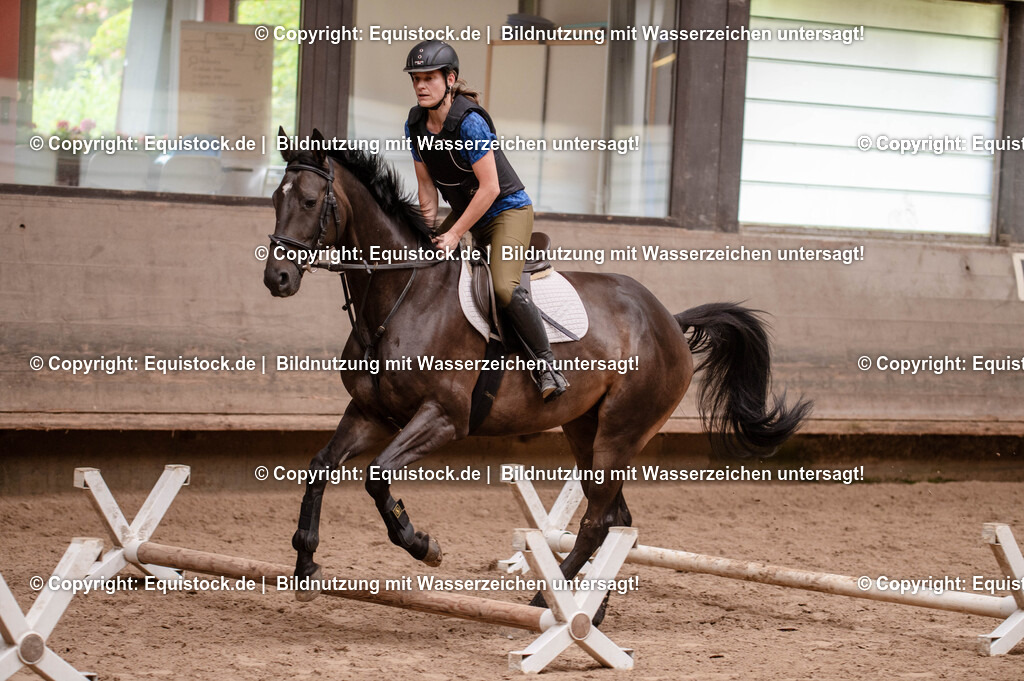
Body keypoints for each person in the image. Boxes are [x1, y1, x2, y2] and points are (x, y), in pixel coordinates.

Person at [403, 40, 568, 401]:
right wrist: (429, 233)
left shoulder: (470, 122)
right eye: (416, 78)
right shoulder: (414, 124)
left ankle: (546, 365)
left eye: (429, 78)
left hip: (506, 211)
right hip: (468, 214)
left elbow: (490, 188)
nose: (420, 86)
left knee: (504, 288)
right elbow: (427, 191)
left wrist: (456, 234)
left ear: (450, 79)